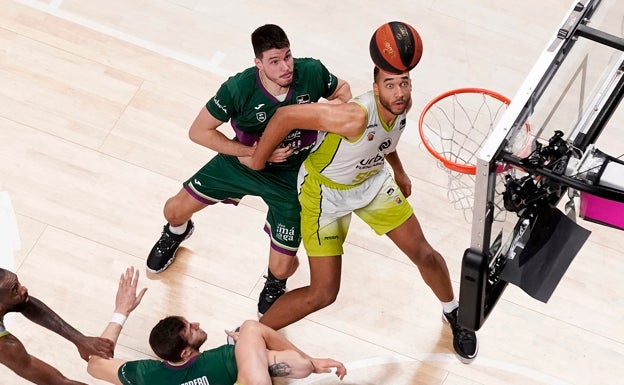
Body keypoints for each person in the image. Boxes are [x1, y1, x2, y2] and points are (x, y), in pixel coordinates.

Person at [240, 66, 479, 362]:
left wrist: (399, 171)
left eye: (404, 83)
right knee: (323, 293)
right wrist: (258, 160)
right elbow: (285, 116)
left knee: (424, 253)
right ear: (375, 88)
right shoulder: (353, 116)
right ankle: (249, 337)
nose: (399, 92)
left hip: (370, 181)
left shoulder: (402, 104)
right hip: (325, 192)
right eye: (390, 85)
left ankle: (452, 310)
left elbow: (383, 140)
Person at [146, 24, 351, 316]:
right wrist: (252, 152)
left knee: (282, 267)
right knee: (173, 209)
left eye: (288, 56)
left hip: (293, 173)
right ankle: (177, 232)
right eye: (275, 61)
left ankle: (274, 284)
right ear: (258, 63)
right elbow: (198, 131)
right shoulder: (238, 89)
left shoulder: (312, 72)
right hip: (242, 163)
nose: (285, 67)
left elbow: (342, 91)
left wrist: (330, 119)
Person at [87, 267, 347, 385]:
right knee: (249, 327)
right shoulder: (226, 358)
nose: (197, 324)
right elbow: (299, 367)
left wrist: (121, 313)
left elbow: (94, 364)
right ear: (185, 352)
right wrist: (248, 344)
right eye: (191, 329)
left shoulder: (145, 375)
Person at [0, 267, 114, 385]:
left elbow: (27, 305)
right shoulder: (5, 345)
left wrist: (79, 339)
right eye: (15, 290)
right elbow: (57, 382)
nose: (23, 289)